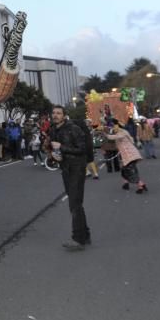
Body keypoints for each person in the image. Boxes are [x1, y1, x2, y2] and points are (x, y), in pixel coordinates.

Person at [49, 106, 92, 250]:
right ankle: (85, 236)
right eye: (54, 113)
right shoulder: (54, 130)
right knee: (76, 203)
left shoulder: (73, 129)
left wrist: (62, 147)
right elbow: (56, 150)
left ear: (64, 116)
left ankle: (78, 239)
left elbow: (82, 149)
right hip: (65, 169)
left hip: (77, 169)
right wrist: (55, 156)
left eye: (58, 113)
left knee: (74, 203)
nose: (55, 115)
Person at [107, 120, 147, 193]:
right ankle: (126, 183)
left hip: (130, 155)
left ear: (117, 125)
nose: (112, 128)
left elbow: (114, 137)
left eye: (113, 126)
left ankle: (141, 185)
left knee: (131, 171)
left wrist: (105, 135)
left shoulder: (122, 132)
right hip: (127, 155)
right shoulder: (120, 132)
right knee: (125, 170)